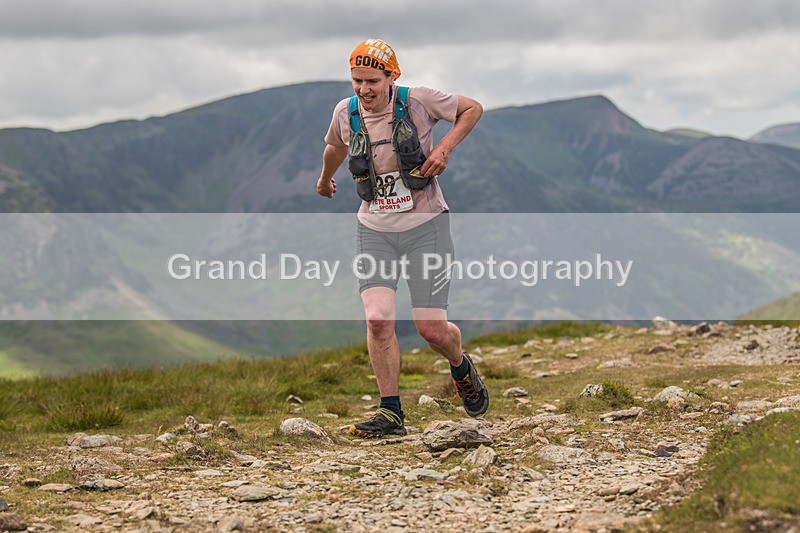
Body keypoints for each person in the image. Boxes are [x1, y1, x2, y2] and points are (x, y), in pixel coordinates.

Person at [317, 38, 487, 438]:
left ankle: (461, 367)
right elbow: (334, 148)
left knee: (432, 330)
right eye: (357, 81)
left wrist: (445, 147)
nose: (364, 90)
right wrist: (325, 180)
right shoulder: (346, 111)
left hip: (427, 226)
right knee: (378, 319)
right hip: (374, 228)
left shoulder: (419, 101)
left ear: (392, 76)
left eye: (372, 81)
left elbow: (472, 109)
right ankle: (391, 412)